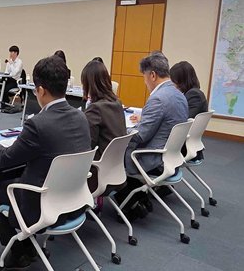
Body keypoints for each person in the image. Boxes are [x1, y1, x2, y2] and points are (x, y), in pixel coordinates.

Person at [0, 56, 90, 270]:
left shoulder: (37, 124)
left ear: (40, 90)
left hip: (41, 207)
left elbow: (6, 158)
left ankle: (18, 251)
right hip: (74, 203)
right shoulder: (81, 118)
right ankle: (26, 245)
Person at [114, 52, 188, 219]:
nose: (145, 82)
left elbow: (140, 136)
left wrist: (120, 130)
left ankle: (132, 203)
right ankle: (138, 198)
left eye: (144, 77)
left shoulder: (158, 99)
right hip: (171, 156)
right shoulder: (179, 95)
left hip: (153, 159)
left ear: (152, 75)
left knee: (112, 156)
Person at [80, 60, 126, 191]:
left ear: (88, 84)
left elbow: (87, 147)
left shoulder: (96, 109)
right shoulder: (117, 103)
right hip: (116, 170)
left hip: (97, 174)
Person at [171, 61, 208, 160]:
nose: (173, 84)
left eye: (174, 80)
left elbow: (183, 120)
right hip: (185, 143)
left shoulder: (194, 95)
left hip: (183, 146)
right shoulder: (192, 93)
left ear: (181, 80)